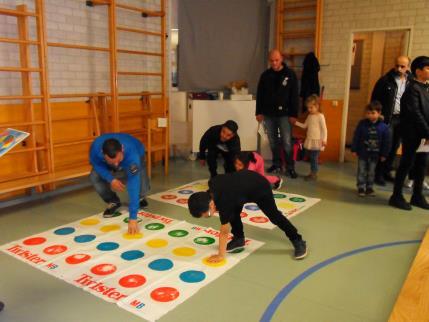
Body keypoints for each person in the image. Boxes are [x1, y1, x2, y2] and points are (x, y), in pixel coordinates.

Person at [188, 170, 307, 263]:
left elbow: (224, 231)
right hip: (241, 189)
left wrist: (220, 255)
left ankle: (297, 240)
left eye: (208, 214)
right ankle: (239, 239)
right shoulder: (212, 186)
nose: (209, 215)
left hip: (259, 187)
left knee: (274, 216)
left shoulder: (224, 201)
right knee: (233, 214)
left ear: (211, 203)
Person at [89, 133, 150, 234]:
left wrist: (133, 217)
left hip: (138, 152)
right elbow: (97, 165)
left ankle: (141, 197)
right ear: (103, 154)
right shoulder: (96, 149)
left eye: (118, 160)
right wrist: (111, 179)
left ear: (121, 149)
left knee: (141, 188)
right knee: (94, 176)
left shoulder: (131, 153)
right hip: (113, 159)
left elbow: (133, 182)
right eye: (112, 162)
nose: (116, 165)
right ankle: (113, 201)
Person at [389, 56, 429, 210]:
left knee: (421, 165)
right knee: (406, 164)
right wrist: (427, 132)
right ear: (418, 71)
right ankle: (396, 196)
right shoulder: (412, 89)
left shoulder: (426, 87)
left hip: (425, 136)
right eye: (427, 68)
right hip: (414, 135)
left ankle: (417, 195)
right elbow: (415, 114)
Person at [256, 49, 299, 178]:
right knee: (273, 141)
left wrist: (293, 114)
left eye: (277, 60)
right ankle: (276, 164)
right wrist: (258, 112)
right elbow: (260, 95)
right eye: (272, 60)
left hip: (285, 114)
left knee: (286, 141)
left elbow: (294, 96)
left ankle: (290, 167)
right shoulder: (265, 75)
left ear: (282, 59)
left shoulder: (290, 74)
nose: (274, 63)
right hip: (268, 114)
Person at [371, 56, 412, 185]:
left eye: (402, 66)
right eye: (397, 66)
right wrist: (378, 115)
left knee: (395, 147)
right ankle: (378, 174)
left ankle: (387, 172)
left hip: (403, 119)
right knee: (385, 147)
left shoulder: (411, 82)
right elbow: (374, 100)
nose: (399, 69)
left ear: (408, 67)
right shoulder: (385, 80)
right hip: (388, 118)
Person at [351, 101, 391, 197]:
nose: (370, 115)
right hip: (363, 153)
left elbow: (386, 142)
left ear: (379, 113)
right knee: (361, 170)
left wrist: (384, 154)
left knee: (372, 171)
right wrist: (354, 149)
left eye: (373, 113)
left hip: (375, 154)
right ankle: (361, 186)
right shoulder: (362, 124)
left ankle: (369, 187)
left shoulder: (384, 127)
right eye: (368, 113)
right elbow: (357, 136)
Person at [295, 94, 327, 181]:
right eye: (308, 108)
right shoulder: (309, 116)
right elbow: (305, 126)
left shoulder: (320, 116)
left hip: (317, 141)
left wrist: (324, 140)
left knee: (314, 158)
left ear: (317, 106)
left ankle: (314, 174)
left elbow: (324, 129)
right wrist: (295, 123)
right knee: (312, 158)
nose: (309, 110)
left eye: (311, 107)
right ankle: (312, 172)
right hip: (310, 140)